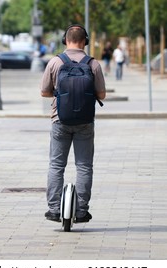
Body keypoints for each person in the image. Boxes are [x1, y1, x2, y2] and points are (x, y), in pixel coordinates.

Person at [41, 24, 106, 223]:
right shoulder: (93, 64)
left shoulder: (55, 62)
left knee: (56, 165)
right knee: (84, 166)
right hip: (85, 122)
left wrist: (61, 95)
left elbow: (44, 92)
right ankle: (81, 211)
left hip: (59, 120)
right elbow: (102, 94)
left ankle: (53, 209)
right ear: (84, 41)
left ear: (65, 40)